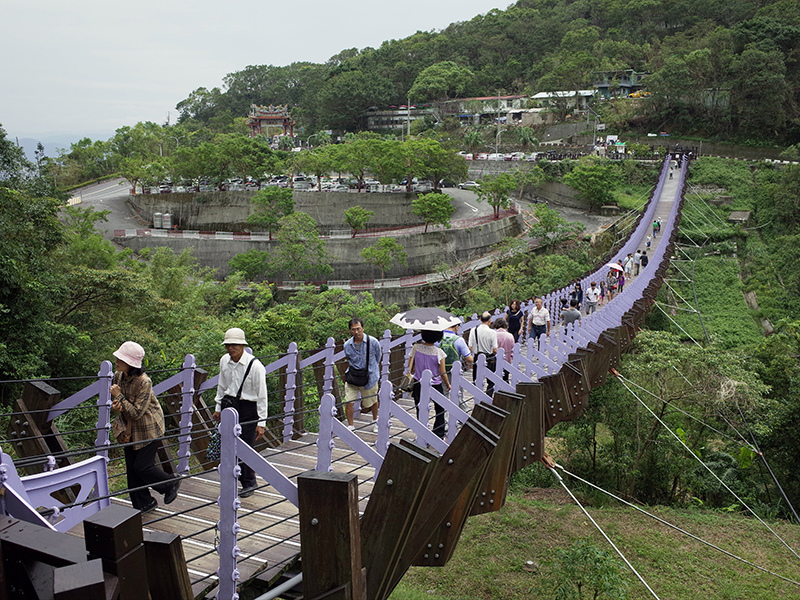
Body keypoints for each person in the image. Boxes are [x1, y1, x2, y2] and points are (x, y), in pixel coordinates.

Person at [110, 341, 180, 513]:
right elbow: (118, 401)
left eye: (121, 359)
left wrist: (119, 396)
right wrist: (116, 404)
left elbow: (137, 412)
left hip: (149, 428)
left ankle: (170, 483)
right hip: (129, 429)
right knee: (131, 470)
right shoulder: (118, 376)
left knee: (142, 467)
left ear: (131, 364)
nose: (116, 361)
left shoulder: (144, 382)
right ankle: (144, 504)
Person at [213, 328, 268, 499]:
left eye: (234, 345)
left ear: (242, 345)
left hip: (248, 408)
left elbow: (262, 395)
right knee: (228, 445)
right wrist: (217, 407)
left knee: (245, 446)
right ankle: (232, 479)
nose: (231, 348)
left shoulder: (255, 366)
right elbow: (222, 385)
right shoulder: (224, 361)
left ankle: (249, 482)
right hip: (230, 405)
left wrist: (262, 422)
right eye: (228, 345)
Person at [407, 330, 450, 439]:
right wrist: (448, 384)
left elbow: (410, 366)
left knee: (420, 408)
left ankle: (422, 432)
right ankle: (438, 433)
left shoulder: (416, 348)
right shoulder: (439, 352)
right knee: (440, 409)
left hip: (418, 382)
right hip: (435, 384)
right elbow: (442, 373)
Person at [342, 318, 381, 433]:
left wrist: (372, 368)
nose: (356, 332)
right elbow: (348, 359)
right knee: (349, 401)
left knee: (372, 401)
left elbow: (378, 357)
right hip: (353, 376)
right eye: (353, 330)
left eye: (358, 329)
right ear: (350, 331)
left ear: (363, 328)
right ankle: (351, 426)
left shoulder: (373, 342)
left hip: (369, 377)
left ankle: (375, 421)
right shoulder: (347, 345)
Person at [468, 312, 498, 395]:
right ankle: (488, 397)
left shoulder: (473, 330)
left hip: (477, 357)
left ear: (480, 319)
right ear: (490, 320)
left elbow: (469, 347)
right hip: (489, 357)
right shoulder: (492, 332)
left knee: (476, 380)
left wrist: (469, 360)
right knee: (491, 381)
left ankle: (477, 396)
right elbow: (495, 349)